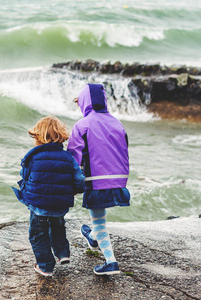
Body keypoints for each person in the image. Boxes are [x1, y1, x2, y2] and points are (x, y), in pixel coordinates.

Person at [67, 83, 131, 276]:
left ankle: (111, 261)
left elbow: (73, 158)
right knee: (98, 217)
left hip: (96, 181)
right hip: (119, 180)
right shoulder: (116, 122)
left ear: (85, 102)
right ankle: (93, 238)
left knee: (99, 222)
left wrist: (70, 181)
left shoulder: (82, 125)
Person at [12, 115, 85, 277]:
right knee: (58, 228)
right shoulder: (68, 157)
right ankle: (62, 253)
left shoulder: (32, 156)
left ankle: (45, 265)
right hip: (60, 205)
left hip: (38, 205)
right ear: (61, 136)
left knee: (38, 235)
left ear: (38, 137)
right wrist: (75, 190)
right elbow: (79, 179)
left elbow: (24, 175)